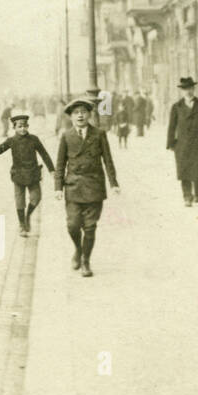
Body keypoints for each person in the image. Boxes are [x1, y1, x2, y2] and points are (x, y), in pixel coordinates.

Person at [54, 96, 119, 278]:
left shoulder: (99, 134)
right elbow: (60, 164)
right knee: (72, 225)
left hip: (94, 186)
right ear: (71, 117)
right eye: (76, 113)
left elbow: (108, 160)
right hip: (73, 187)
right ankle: (78, 249)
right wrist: (58, 187)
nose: (80, 116)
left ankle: (85, 261)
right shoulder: (66, 136)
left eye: (83, 112)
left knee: (90, 227)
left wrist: (114, 183)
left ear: (89, 114)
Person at [0, 109, 54, 237]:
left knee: (36, 198)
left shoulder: (34, 139)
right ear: (14, 128)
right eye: (20, 126)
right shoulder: (11, 140)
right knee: (20, 201)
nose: (23, 129)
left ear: (28, 126)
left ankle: (27, 216)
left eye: (25, 126)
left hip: (33, 174)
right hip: (18, 175)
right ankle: (22, 225)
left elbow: (44, 155)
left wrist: (52, 170)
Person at [166, 77, 198, 207]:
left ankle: (197, 189)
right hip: (182, 145)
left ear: (194, 89)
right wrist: (171, 143)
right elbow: (172, 126)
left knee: (197, 171)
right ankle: (187, 197)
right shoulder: (176, 107)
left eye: (190, 89)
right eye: (185, 89)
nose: (188, 91)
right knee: (184, 172)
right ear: (182, 91)